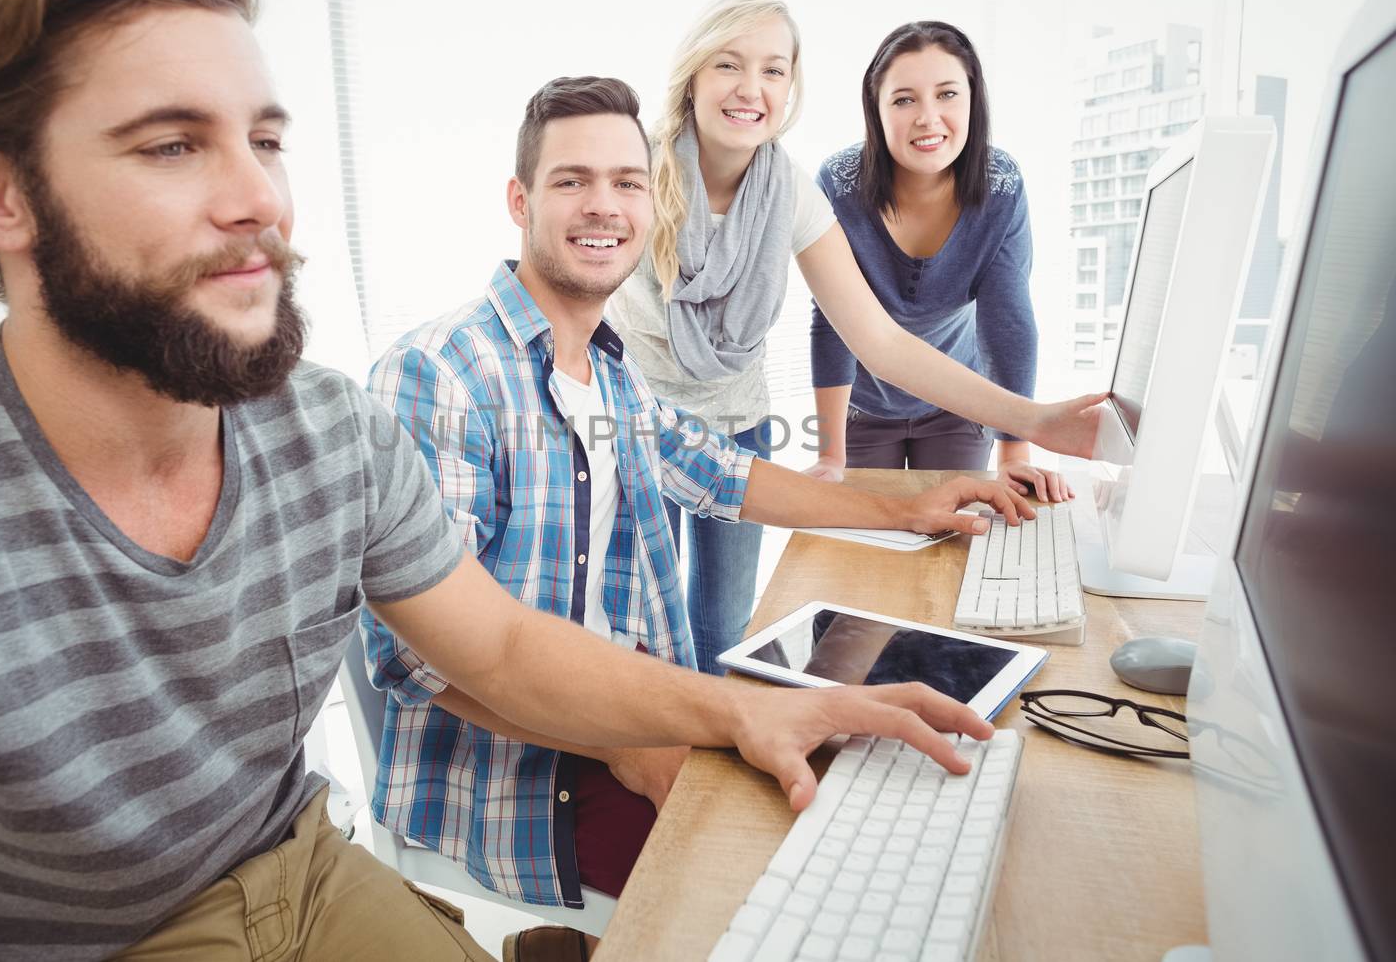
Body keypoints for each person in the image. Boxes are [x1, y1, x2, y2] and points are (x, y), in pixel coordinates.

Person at [0, 0, 997, 961]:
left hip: (303, 866)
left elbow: (518, 637)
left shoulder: (331, 431)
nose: (260, 196)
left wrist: (760, 678)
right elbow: (453, 676)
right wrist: (664, 731)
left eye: (263, 140)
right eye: (173, 144)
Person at [361, 76, 1035, 954]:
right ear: (521, 201)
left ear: (652, 204)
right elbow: (422, 656)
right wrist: (623, 740)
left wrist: (903, 509)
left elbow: (718, 470)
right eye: (572, 181)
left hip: (624, 703)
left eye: (628, 182)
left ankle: (564, 947)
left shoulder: (608, 369)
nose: (604, 205)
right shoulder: (438, 375)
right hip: (524, 765)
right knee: (790, 881)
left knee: (866, 776)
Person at [606, 0, 1102, 676]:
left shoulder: (790, 193)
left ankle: (707, 745)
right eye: (729, 64)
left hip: (736, 428)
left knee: (720, 620)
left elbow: (883, 340)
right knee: (629, 621)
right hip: (630, 427)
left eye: (774, 70)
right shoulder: (631, 169)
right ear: (693, 73)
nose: (752, 88)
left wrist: (1036, 423)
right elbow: (574, 304)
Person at [808, 21, 1071, 503]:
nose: (928, 117)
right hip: (862, 409)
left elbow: (1007, 319)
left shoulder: (1000, 185)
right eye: (905, 99)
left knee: (952, 543)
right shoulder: (838, 186)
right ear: (877, 111)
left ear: (973, 100)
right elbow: (832, 321)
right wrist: (830, 453)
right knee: (871, 548)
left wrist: (1015, 453)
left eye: (947, 94)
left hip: (960, 405)